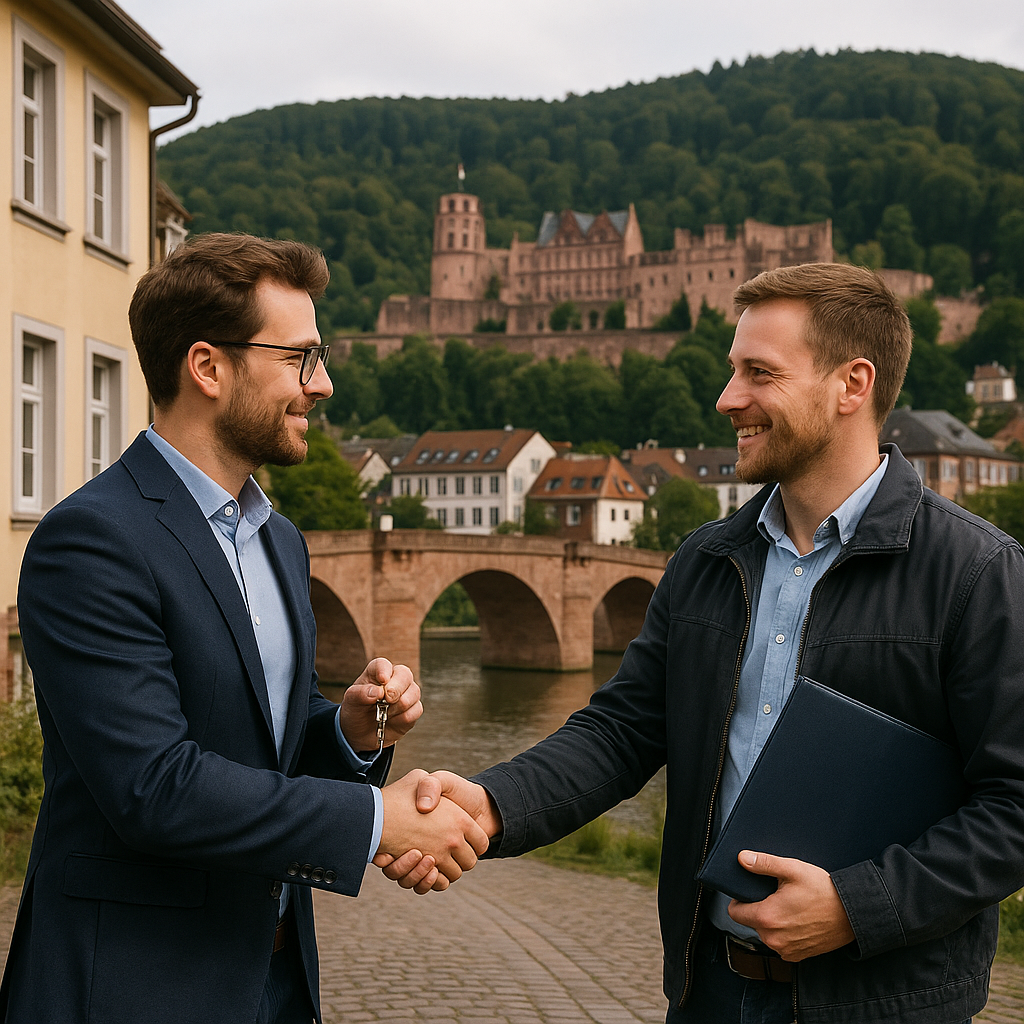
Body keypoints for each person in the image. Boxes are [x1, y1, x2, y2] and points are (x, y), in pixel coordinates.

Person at [392, 263, 1024, 1023]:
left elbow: (1013, 805)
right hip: (710, 991)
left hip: (883, 1003)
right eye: (732, 372)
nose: (727, 399)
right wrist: (492, 804)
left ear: (851, 385)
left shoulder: (977, 571)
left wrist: (859, 906)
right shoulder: (706, 559)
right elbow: (622, 732)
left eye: (759, 373)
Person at [1, 233, 487, 1024]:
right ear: (209, 368)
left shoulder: (278, 538)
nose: (323, 383)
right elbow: (153, 787)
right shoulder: (91, 540)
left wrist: (350, 734)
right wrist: (375, 821)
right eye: (301, 358)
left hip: (278, 980)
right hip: (134, 986)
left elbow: (267, 742)